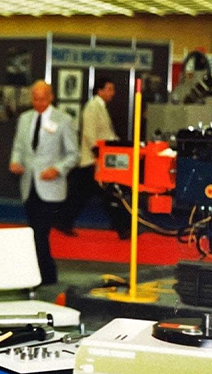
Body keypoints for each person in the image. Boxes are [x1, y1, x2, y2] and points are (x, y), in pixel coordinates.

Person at [9, 80, 79, 285]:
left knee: (40, 231)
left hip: (51, 187)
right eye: (35, 98)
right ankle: (42, 273)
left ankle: (45, 274)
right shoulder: (24, 118)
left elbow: (74, 154)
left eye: (42, 98)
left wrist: (57, 169)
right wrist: (15, 161)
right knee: (34, 231)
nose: (38, 103)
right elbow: (18, 147)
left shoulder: (64, 120)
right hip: (28, 184)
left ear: (51, 97)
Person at [57, 78, 131, 239]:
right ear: (100, 90)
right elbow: (89, 134)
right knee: (104, 194)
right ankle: (122, 228)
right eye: (109, 88)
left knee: (85, 195)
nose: (113, 92)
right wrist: (98, 154)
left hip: (98, 159)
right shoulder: (92, 107)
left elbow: (106, 134)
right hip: (93, 160)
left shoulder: (100, 107)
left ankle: (64, 222)